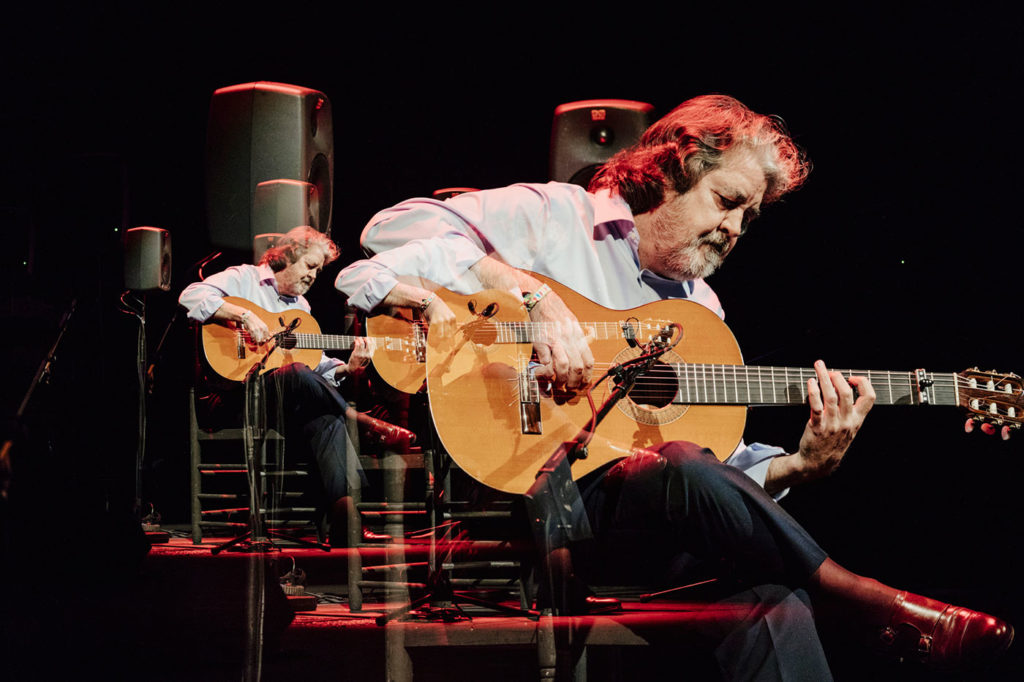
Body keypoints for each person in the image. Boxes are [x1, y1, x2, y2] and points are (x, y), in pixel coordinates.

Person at [334, 95, 1013, 676]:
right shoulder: (555, 217)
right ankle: (868, 601)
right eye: (727, 201)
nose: (734, 229)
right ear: (672, 168)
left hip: (641, 529)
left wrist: (802, 465)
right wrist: (530, 296)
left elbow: (716, 467)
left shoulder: (700, 312)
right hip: (517, 499)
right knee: (686, 476)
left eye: (750, 218)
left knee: (773, 600)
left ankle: (840, 601)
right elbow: (393, 230)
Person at [179, 225, 413, 548]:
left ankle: (347, 520)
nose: (314, 275)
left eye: (319, 270)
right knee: (301, 379)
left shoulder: (301, 306)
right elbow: (190, 295)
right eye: (310, 265)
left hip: (282, 402)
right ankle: (358, 420)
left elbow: (313, 366)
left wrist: (348, 367)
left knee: (323, 416)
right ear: (287, 255)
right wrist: (244, 316)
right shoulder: (245, 278)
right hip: (235, 396)